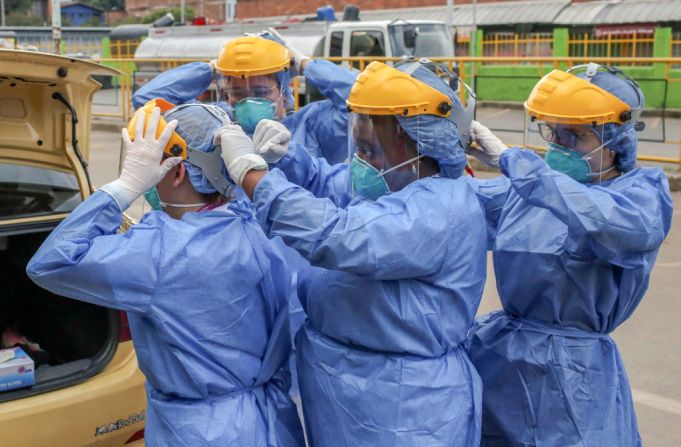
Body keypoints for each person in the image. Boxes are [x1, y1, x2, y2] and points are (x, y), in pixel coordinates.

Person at [217, 58, 487, 446]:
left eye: (369, 148)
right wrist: (285, 153)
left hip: (404, 406)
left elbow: (334, 235)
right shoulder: (392, 181)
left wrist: (252, 175)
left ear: (421, 145)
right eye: (358, 146)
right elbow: (324, 181)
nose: (361, 160)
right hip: (350, 391)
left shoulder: (439, 209)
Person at [26, 101, 305, 447]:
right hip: (272, 422)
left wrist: (124, 187)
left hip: (201, 433)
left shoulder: (156, 252)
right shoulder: (261, 219)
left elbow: (49, 263)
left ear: (176, 172)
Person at [466, 63, 674, 445]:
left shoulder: (641, 196)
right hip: (502, 361)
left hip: (576, 379)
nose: (559, 147)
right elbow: (451, 209)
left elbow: (606, 220)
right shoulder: (531, 187)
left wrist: (517, 164)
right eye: (553, 133)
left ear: (616, 139)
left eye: (575, 136)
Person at [133, 30, 356, 164]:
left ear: (283, 90)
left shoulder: (311, 125)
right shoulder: (217, 122)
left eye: (261, 93)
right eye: (237, 93)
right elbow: (147, 102)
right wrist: (212, 68)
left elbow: (360, 101)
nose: (248, 101)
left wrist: (306, 65)